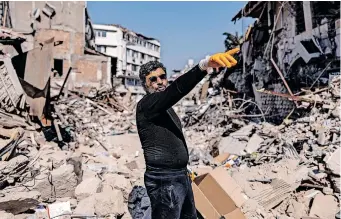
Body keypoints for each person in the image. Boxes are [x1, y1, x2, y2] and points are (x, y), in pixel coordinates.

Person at [136, 48, 239, 219]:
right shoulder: (147, 105)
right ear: (145, 85)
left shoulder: (166, 108)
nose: (160, 82)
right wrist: (203, 65)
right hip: (164, 181)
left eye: (162, 77)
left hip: (180, 176)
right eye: (153, 80)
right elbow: (176, 90)